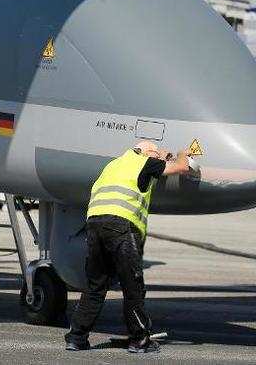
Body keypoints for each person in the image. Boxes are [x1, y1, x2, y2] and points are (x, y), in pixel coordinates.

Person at [65, 140, 194, 353]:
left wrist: (162, 156)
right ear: (146, 153)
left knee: (95, 287)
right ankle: (139, 340)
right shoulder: (145, 163)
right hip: (121, 226)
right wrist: (181, 153)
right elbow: (182, 167)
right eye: (156, 153)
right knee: (132, 286)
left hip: (94, 226)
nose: (158, 157)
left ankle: (76, 338)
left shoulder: (114, 165)